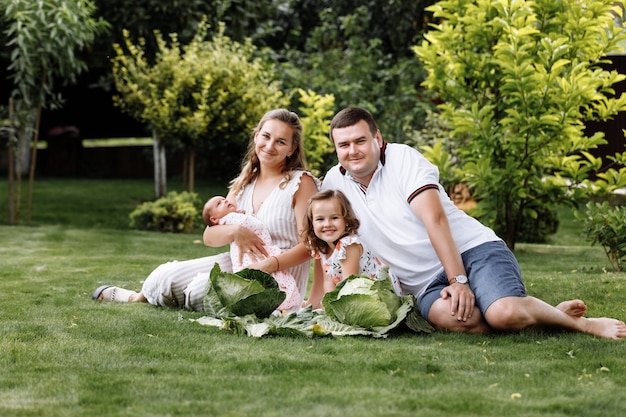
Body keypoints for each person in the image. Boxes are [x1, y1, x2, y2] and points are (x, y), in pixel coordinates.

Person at [321, 107, 626, 339]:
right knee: (467, 322)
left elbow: (435, 219)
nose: (352, 151)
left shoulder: (403, 160)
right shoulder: (335, 181)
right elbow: (323, 234)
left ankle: (581, 323)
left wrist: (459, 281)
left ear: (377, 138)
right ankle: (542, 313)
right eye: (343, 145)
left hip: (472, 251)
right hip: (424, 284)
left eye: (360, 141)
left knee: (504, 314)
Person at [93, 109, 319, 311]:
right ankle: (137, 298)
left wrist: (270, 264)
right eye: (266, 136)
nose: (270, 146)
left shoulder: (301, 183)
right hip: (237, 262)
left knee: (198, 290)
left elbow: (310, 245)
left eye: (281, 142)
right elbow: (209, 235)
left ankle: (277, 307)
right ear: (256, 136)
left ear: (291, 149)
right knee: (165, 275)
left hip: (280, 275)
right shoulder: (245, 182)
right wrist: (234, 232)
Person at [202, 195, 302, 312]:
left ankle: (273, 308)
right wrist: (237, 229)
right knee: (266, 283)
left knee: (262, 284)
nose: (225, 201)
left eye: (224, 199)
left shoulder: (233, 216)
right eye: (219, 204)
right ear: (214, 219)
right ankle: (277, 307)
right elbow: (253, 225)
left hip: (257, 257)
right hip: (251, 258)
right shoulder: (229, 219)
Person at [301, 189, 393, 308]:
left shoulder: (348, 245)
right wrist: (328, 309)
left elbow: (350, 284)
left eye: (334, 218)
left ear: (346, 220)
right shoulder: (323, 248)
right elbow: (328, 281)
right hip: (353, 297)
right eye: (320, 219)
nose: (327, 224)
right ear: (311, 223)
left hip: (378, 296)